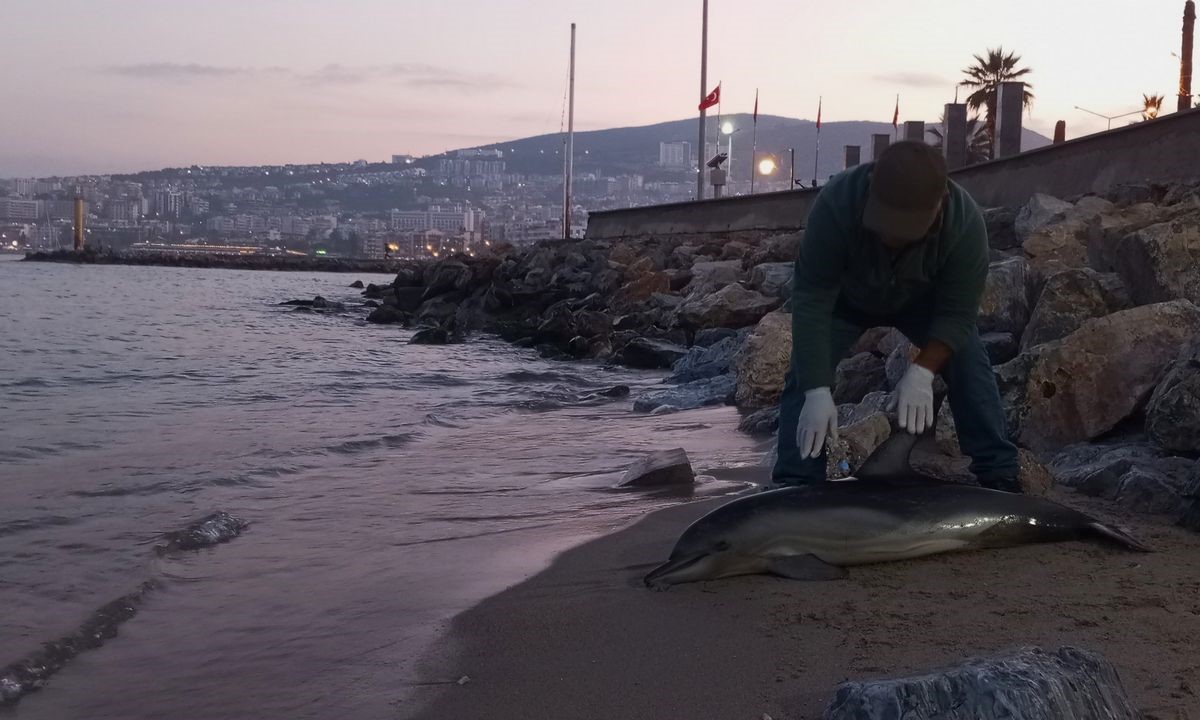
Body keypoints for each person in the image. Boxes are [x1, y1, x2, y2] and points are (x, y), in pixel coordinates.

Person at [773, 140, 1020, 492]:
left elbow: (958, 315)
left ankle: (999, 475)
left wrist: (922, 372)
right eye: (884, 224)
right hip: (846, 301)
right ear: (871, 185)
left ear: (940, 204)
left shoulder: (965, 224)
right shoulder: (835, 203)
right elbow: (812, 300)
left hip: (921, 301)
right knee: (805, 372)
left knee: (970, 360)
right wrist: (816, 388)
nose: (891, 237)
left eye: (905, 229)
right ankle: (795, 483)